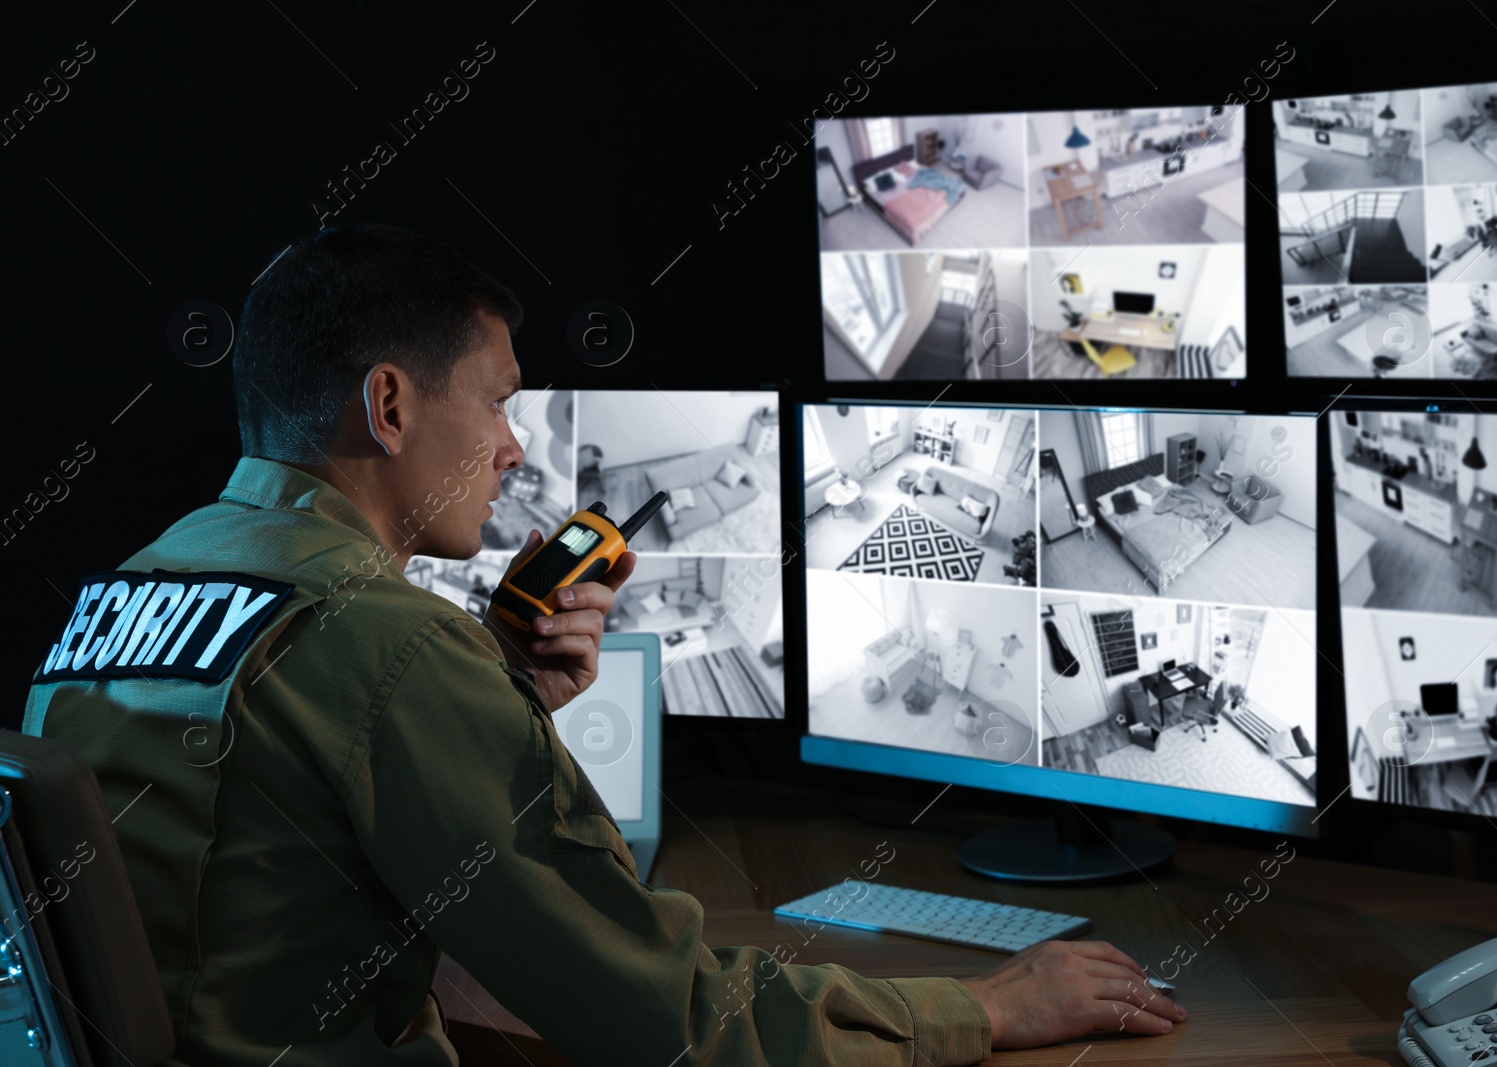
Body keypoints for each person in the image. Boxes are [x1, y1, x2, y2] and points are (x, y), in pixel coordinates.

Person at [25, 224, 1183, 1065]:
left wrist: (496, 681)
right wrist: (980, 1009)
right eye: (497, 403)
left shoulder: (126, 590)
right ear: (388, 406)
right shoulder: (385, 644)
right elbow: (661, 1012)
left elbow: (272, 864)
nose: (516, 448)